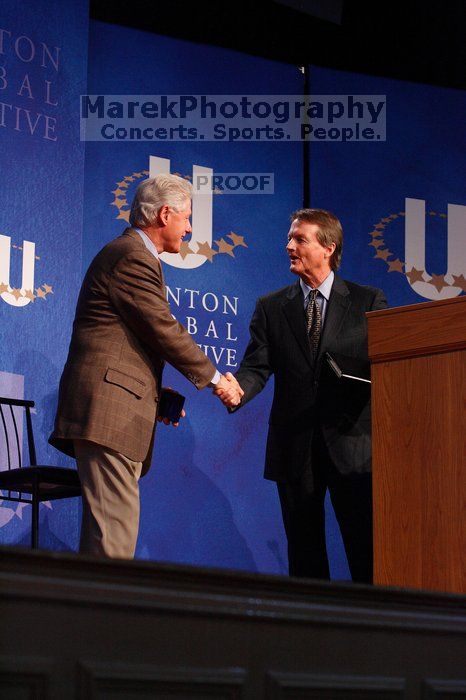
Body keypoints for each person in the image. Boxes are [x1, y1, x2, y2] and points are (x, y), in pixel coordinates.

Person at [49, 174, 243, 559]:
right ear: (165, 214)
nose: (189, 228)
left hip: (113, 414)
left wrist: (156, 394)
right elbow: (161, 328)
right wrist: (217, 379)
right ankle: (106, 620)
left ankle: (92, 618)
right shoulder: (132, 255)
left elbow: (126, 341)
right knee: (114, 545)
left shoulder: (132, 256)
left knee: (105, 542)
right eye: (186, 218)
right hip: (108, 418)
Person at [216, 209, 387, 583]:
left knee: (366, 550)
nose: (289, 246)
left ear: (328, 247)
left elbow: (384, 371)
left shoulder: (368, 302)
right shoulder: (271, 307)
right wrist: (237, 389)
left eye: (300, 239)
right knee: (304, 556)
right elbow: (257, 366)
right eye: (290, 238)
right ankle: (314, 637)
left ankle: (373, 634)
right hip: (294, 446)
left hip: (352, 446)